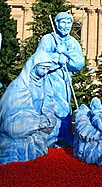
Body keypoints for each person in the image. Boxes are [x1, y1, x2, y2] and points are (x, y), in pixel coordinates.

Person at [0, 51, 56, 165]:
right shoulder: (19, 86)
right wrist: (36, 122)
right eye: (43, 68)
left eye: (47, 69)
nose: (45, 72)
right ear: (34, 66)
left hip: (36, 133)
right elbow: (12, 114)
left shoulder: (46, 84)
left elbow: (49, 104)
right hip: (19, 132)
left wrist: (48, 117)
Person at [36, 12, 85, 147]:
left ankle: (64, 136)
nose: (66, 26)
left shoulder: (73, 42)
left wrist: (66, 53)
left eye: (69, 23)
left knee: (64, 107)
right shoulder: (48, 39)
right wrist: (57, 58)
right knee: (50, 107)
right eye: (63, 22)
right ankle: (49, 137)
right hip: (49, 80)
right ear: (57, 24)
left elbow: (79, 63)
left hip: (65, 81)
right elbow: (39, 60)